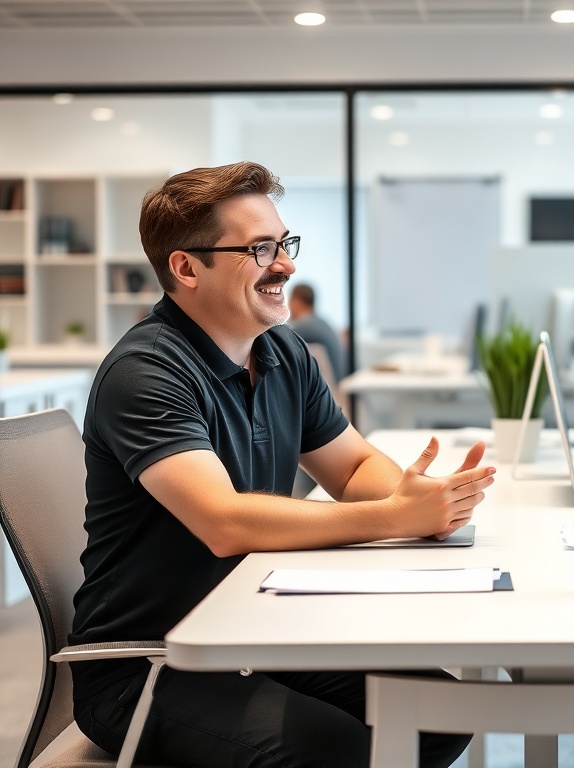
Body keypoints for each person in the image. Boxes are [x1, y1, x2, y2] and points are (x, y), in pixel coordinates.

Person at [69, 162, 494, 768]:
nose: (287, 265)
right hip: (153, 661)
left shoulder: (280, 349)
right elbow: (226, 524)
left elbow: (349, 469)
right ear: (186, 268)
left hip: (254, 627)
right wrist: (394, 517)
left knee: (436, 714)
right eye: (260, 248)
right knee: (329, 750)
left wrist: (418, 499)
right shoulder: (145, 373)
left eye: (284, 243)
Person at [288, 282, 349, 382]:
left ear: (298, 302)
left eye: (290, 300)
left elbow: (278, 343)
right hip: (339, 385)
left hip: (331, 390)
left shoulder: (305, 326)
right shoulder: (321, 322)